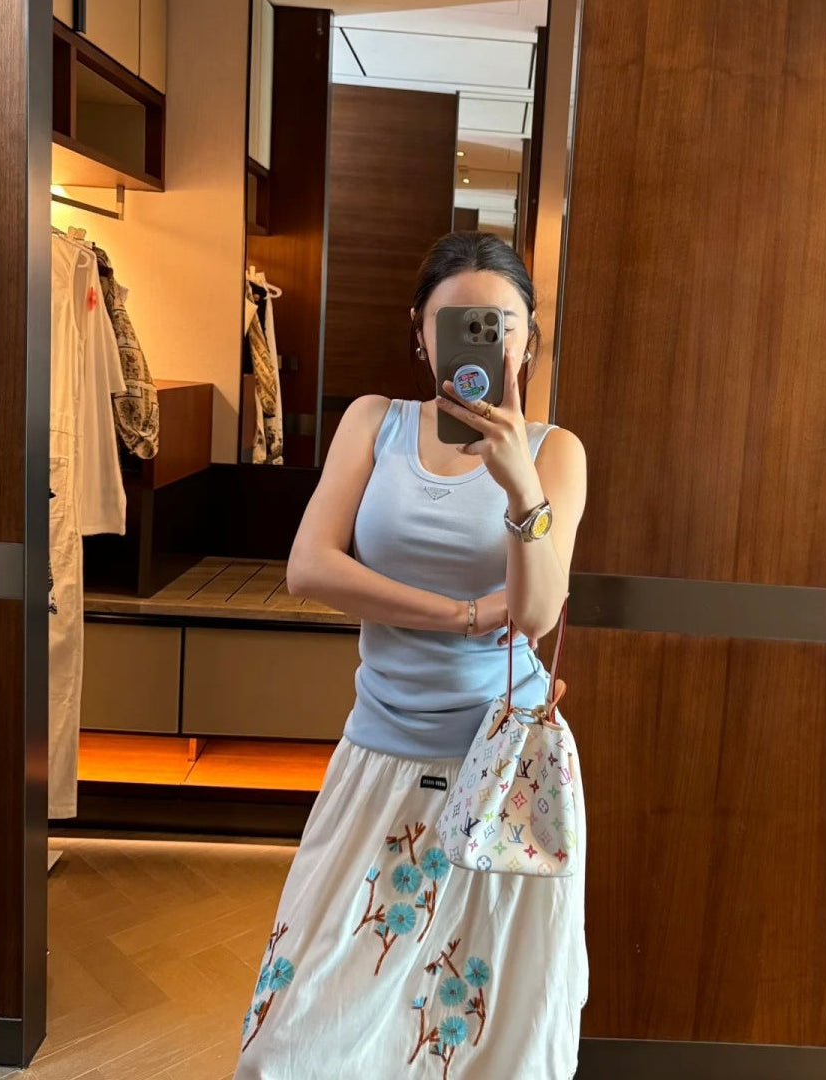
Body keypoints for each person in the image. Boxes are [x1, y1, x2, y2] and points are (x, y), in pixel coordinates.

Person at [233, 231, 588, 1080]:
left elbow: (537, 613)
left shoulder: (555, 452)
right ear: (422, 335)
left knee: (481, 1038)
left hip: (500, 772)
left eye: (503, 324)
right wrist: (463, 615)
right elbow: (309, 567)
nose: (484, 340)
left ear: (529, 338)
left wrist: (520, 484)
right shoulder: (373, 423)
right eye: (457, 321)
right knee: (300, 1030)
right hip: (378, 753)